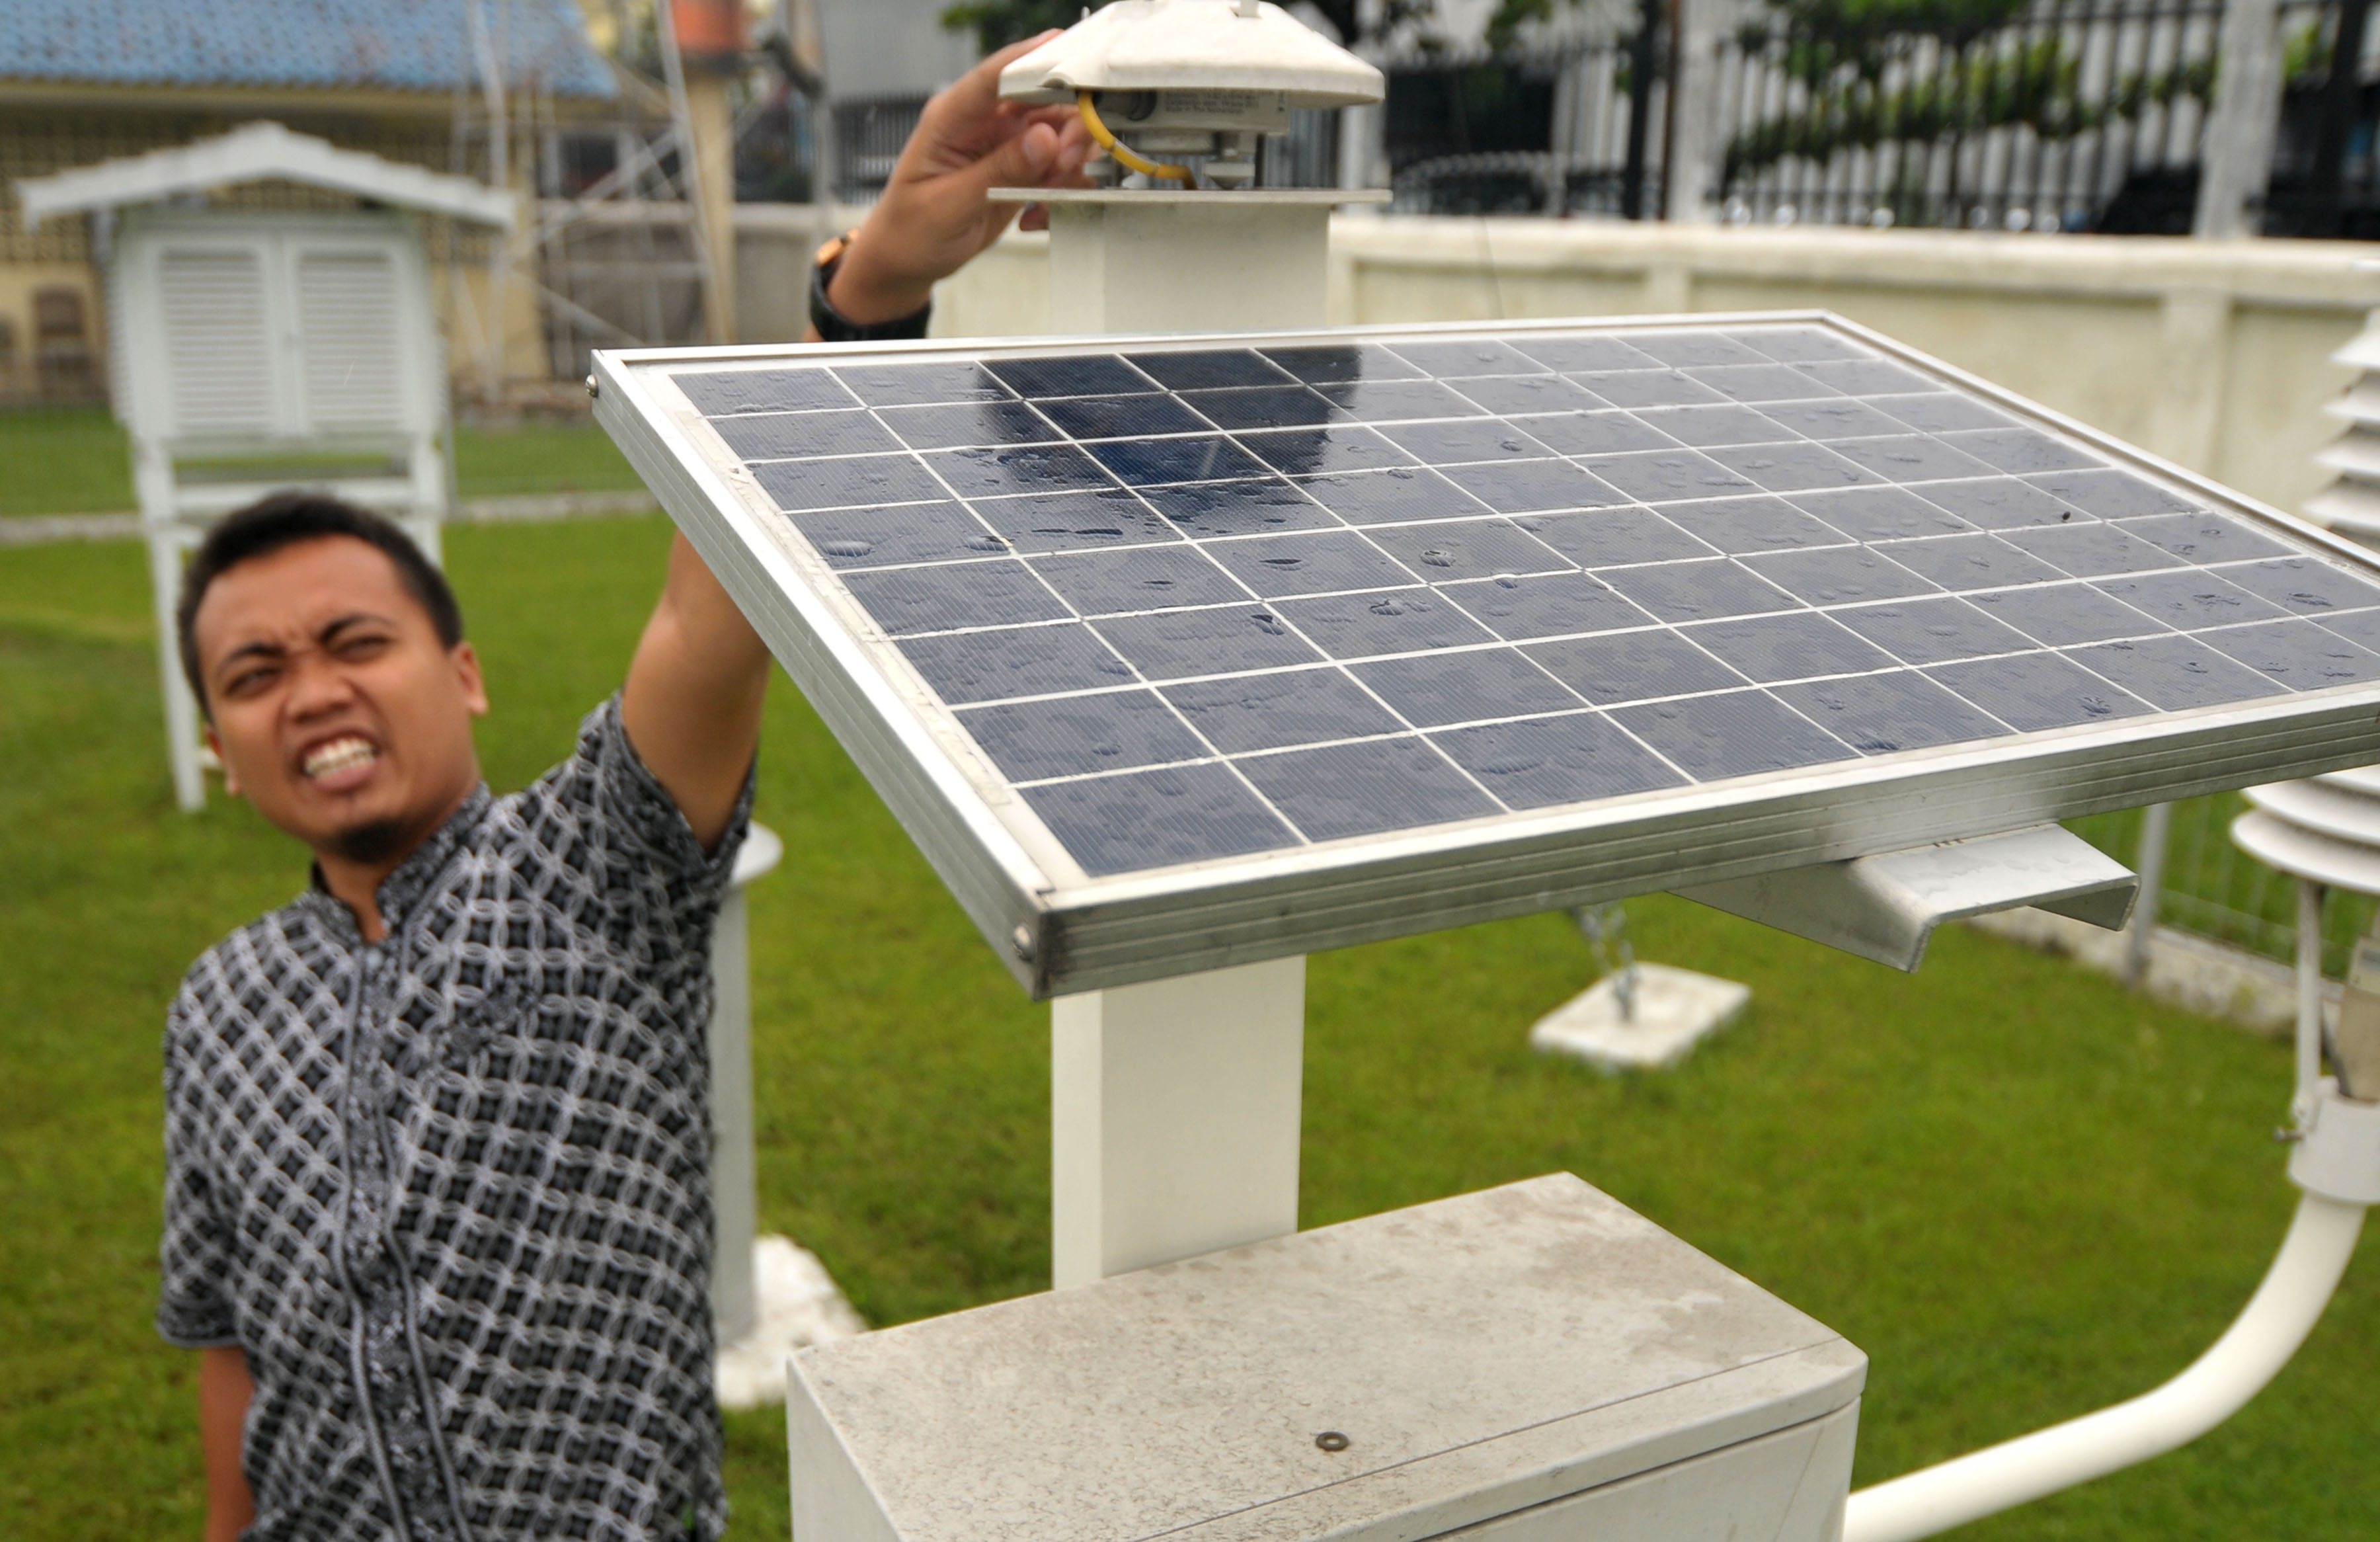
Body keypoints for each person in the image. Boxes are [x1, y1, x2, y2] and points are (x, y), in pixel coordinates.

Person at [161, 38, 1091, 1542]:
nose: (312, 690)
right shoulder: (217, 1003)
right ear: (221, 741)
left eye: (354, 641)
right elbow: (230, 1345)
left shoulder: (591, 869)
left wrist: (869, 289)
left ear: (462, 672)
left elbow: (712, 604)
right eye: (254, 673)